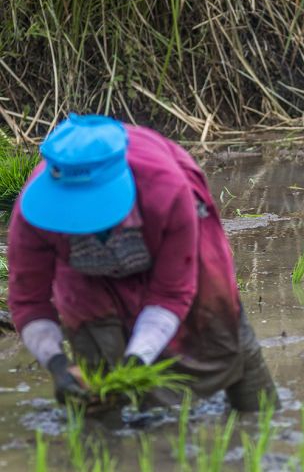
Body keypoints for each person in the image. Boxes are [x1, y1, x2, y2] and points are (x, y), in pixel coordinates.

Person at [8, 114, 278, 412]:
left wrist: (136, 359)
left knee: (217, 323)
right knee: (95, 360)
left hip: (161, 230)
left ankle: (257, 414)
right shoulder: (34, 210)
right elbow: (28, 301)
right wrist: (57, 365)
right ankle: (110, 443)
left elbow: (172, 293)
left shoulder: (168, 190)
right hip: (82, 271)